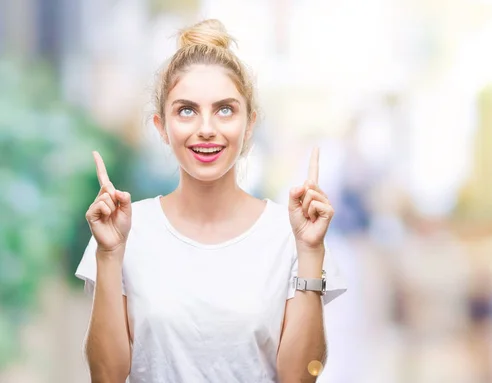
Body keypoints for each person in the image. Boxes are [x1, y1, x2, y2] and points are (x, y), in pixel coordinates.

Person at [75, 19, 347, 383]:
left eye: (225, 109)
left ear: (249, 124)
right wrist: (109, 256)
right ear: (161, 127)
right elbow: (106, 377)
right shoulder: (123, 232)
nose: (206, 128)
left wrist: (311, 252)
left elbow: (300, 377)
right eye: (186, 110)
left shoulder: (291, 235)